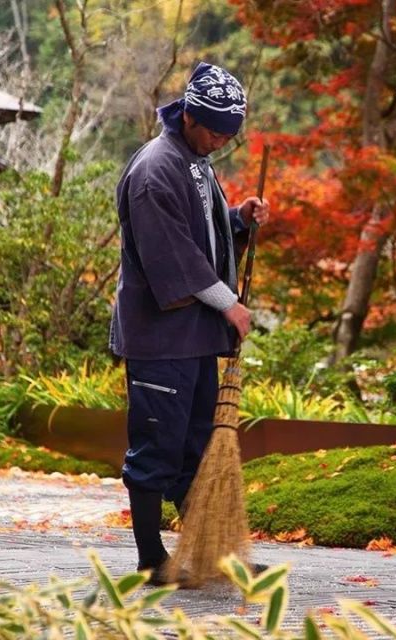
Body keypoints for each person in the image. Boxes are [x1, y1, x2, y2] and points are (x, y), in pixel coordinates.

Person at [110, 62, 270, 580]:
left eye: (231, 133)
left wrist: (238, 219)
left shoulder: (195, 159)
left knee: (198, 443)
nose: (223, 140)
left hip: (194, 337)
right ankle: (151, 556)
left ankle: (206, 546)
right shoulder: (157, 168)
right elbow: (173, 255)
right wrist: (229, 303)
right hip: (162, 337)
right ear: (190, 117)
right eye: (217, 130)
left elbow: (202, 232)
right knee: (158, 443)